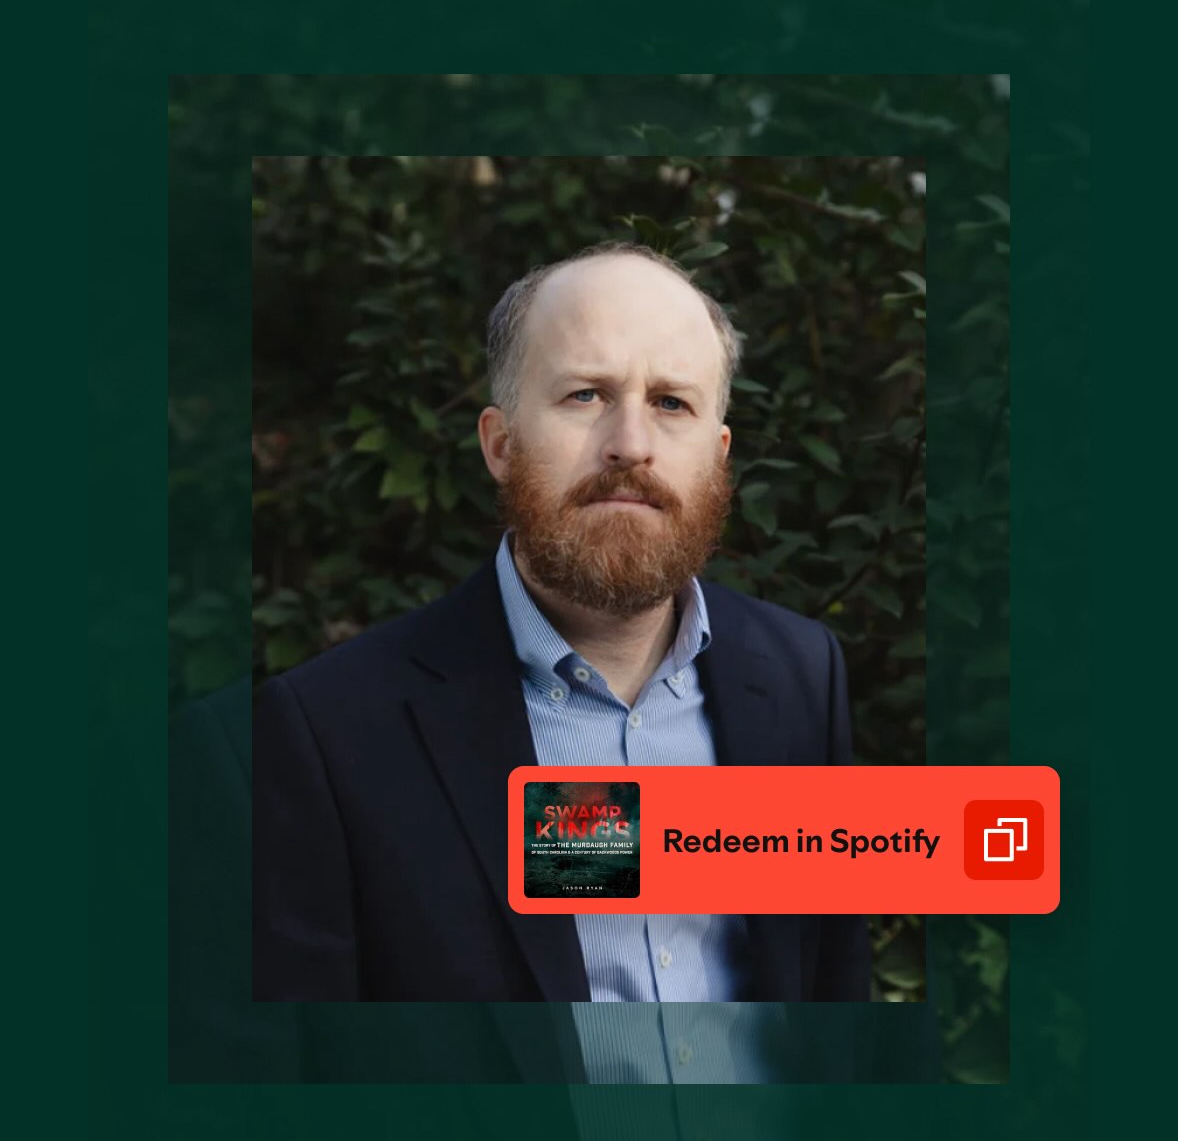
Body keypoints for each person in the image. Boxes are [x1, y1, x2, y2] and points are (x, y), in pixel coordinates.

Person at [253, 241, 871, 1022]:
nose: (630, 445)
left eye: (672, 403)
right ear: (500, 444)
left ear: (719, 461)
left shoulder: (801, 674)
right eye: (585, 395)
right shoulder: (331, 733)